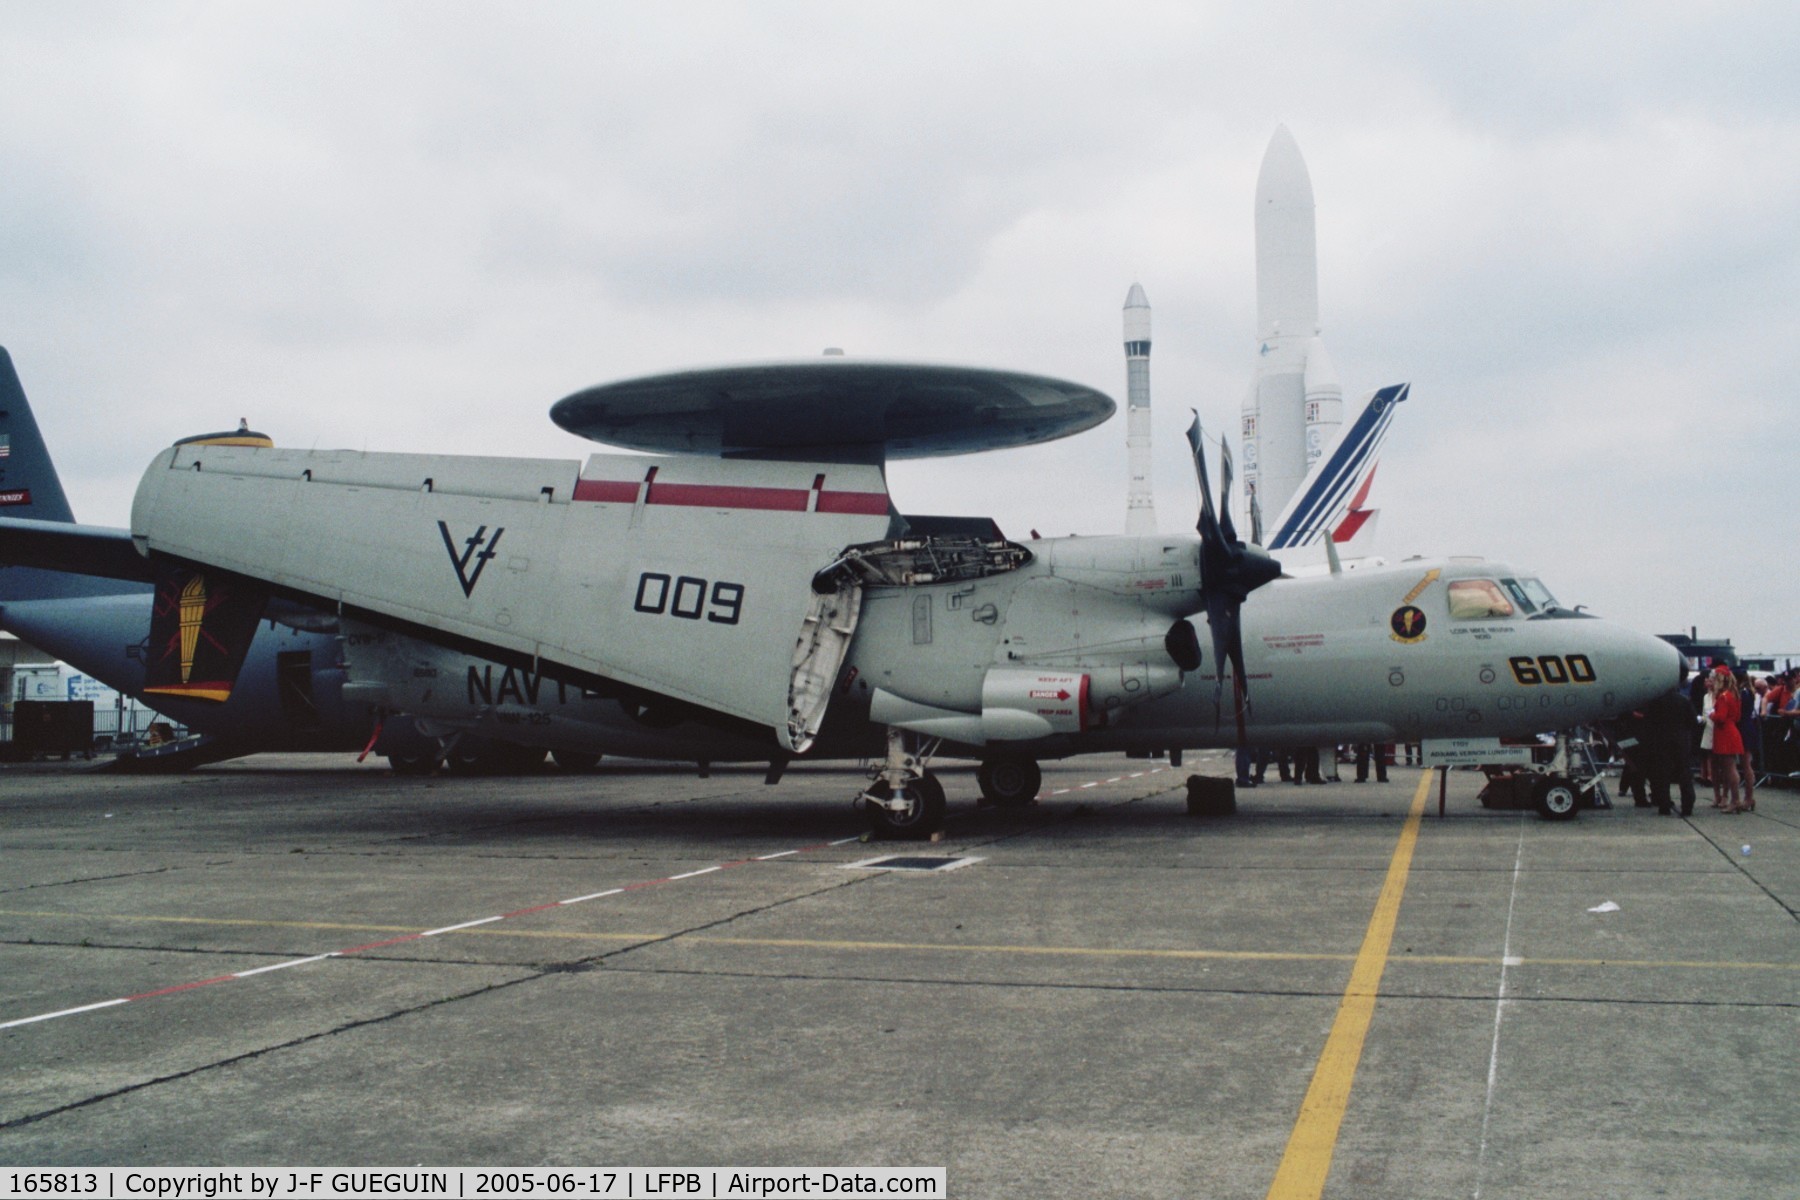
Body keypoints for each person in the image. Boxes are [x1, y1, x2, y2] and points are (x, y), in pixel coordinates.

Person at [1644, 677, 1698, 816]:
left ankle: (1664, 805)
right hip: (1681, 741)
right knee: (1684, 774)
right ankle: (1687, 806)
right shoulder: (1684, 701)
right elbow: (1693, 721)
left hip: (1661, 741)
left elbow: (1649, 721)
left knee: (1662, 775)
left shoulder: (1656, 702)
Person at [1708, 667, 1746, 812]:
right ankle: (1735, 799)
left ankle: (1735, 800)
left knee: (1729, 769)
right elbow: (1737, 717)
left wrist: (1712, 715)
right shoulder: (1733, 694)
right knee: (1731, 768)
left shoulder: (1723, 696)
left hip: (1724, 733)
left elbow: (1721, 718)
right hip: (1731, 730)